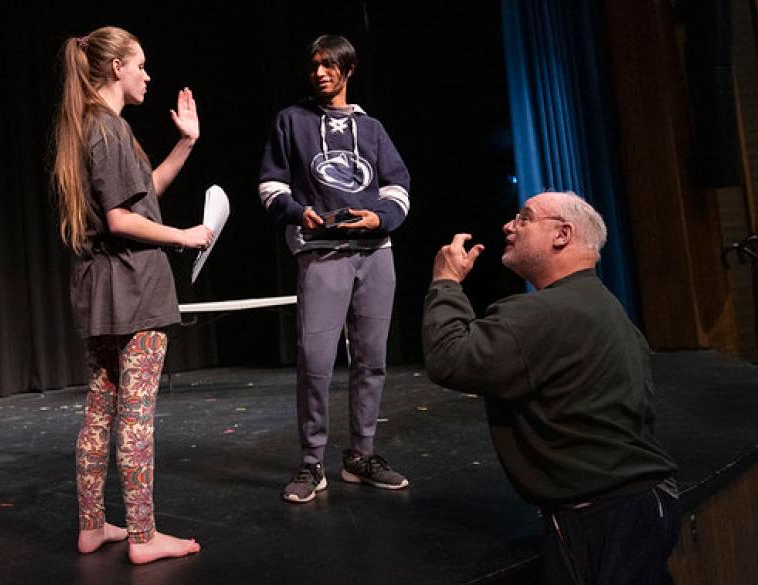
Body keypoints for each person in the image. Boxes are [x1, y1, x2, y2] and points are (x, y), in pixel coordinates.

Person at [421, 191, 680, 585]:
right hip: (640, 506)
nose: (509, 226)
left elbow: (450, 358)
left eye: (524, 218)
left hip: (605, 517)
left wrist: (446, 282)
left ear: (562, 234)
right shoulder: (605, 306)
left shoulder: (544, 312)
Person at [51, 26, 211, 564]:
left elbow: (140, 195)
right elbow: (124, 220)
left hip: (101, 290)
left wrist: (186, 142)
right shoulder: (109, 129)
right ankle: (143, 538)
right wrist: (184, 235)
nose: (146, 75)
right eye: (140, 64)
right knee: (134, 417)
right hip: (132, 289)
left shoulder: (86, 127)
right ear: (116, 67)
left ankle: (93, 526)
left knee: (100, 411)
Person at [258, 34, 411, 503]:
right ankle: (312, 464)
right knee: (316, 362)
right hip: (322, 253)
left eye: (329, 66)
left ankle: (361, 456)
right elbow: (269, 185)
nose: (320, 73)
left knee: (372, 360)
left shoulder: (374, 129)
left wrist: (379, 218)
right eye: (314, 66)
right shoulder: (291, 122)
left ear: (348, 70)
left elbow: (398, 187)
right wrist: (294, 208)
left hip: (374, 253)